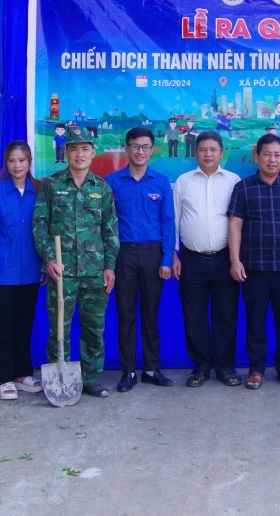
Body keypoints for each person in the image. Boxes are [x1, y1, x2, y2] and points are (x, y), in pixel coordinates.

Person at [33, 124, 119, 398]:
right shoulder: (51, 185)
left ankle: (90, 377)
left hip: (95, 272)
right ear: (65, 152)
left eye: (85, 149)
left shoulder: (101, 188)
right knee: (59, 326)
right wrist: (49, 259)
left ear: (93, 153)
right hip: (63, 270)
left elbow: (110, 230)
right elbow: (39, 225)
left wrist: (109, 266)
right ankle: (59, 376)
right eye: (74, 149)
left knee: (94, 327)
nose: (79, 154)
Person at [228, 134, 280, 389]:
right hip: (253, 267)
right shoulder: (243, 187)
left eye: (277, 155)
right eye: (267, 154)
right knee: (255, 320)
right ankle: (256, 369)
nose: (272, 160)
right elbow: (235, 225)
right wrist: (234, 260)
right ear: (256, 157)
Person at [106, 127, 176, 392]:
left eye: (145, 147)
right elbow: (107, 225)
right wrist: (109, 262)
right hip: (124, 255)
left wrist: (167, 259)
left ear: (152, 150)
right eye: (135, 146)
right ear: (126, 148)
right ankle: (128, 372)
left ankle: (151, 368)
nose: (140, 151)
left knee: (150, 314)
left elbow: (168, 222)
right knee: (125, 315)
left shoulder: (160, 182)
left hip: (153, 254)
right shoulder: (112, 182)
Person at [171, 131, 242, 387]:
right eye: (203, 149)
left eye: (213, 149)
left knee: (226, 314)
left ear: (222, 153)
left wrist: (237, 258)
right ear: (195, 152)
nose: (208, 154)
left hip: (225, 259)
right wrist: (174, 254)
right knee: (194, 314)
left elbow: (239, 222)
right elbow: (174, 220)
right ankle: (200, 366)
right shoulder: (183, 181)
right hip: (191, 260)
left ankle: (225, 366)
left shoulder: (234, 181)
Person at [0, 140, 44, 400]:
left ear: (29, 163)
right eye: (12, 160)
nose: (17, 165)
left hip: (31, 270)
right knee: (4, 325)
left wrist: (44, 264)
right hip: (3, 271)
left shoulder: (38, 191)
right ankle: (4, 378)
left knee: (24, 324)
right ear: (6, 164)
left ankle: (21, 373)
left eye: (22, 160)